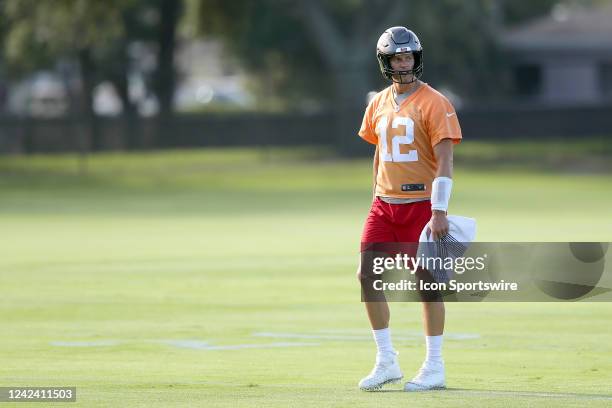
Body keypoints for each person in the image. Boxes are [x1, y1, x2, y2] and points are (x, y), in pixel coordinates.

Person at [356, 26, 462, 392]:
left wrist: (440, 209)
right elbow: (378, 155)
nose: (404, 63)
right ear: (385, 62)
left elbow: (446, 158)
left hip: (421, 206)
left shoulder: (435, 102)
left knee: (427, 285)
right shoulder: (379, 102)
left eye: (408, 56)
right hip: (385, 205)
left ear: (416, 58)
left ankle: (435, 366)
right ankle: (386, 360)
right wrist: (374, 197)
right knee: (367, 276)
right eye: (397, 58)